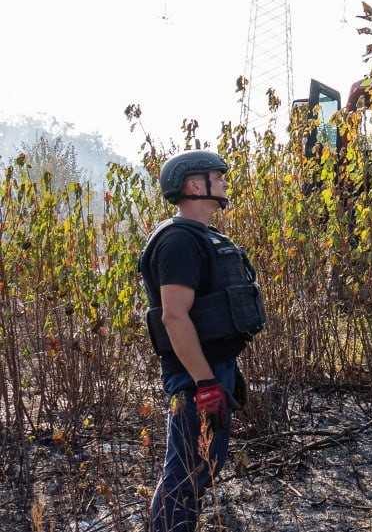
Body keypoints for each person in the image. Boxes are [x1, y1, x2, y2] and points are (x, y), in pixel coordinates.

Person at [139, 150, 267, 532]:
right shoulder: (178, 242)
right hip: (195, 377)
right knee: (185, 474)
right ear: (196, 185)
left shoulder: (203, 236)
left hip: (213, 370)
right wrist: (205, 382)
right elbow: (174, 316)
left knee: (200, 468)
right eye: (218, 176)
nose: (225, 182)